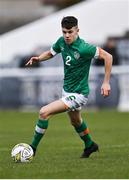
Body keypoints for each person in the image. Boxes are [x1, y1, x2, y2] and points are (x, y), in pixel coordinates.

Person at [26, 16, 113, 158]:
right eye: (64, 32)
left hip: (79, 94)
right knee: (76, 121)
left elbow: (108, 56)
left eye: (70, 32)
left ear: (77, 30)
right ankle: (90, 145)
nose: (67, 35)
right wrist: (39, 58)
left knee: (44, 112)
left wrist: (106, 82)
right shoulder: (62, 42)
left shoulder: (84, 48)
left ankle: (31, 149)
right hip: (67, 91)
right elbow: (51, 52)